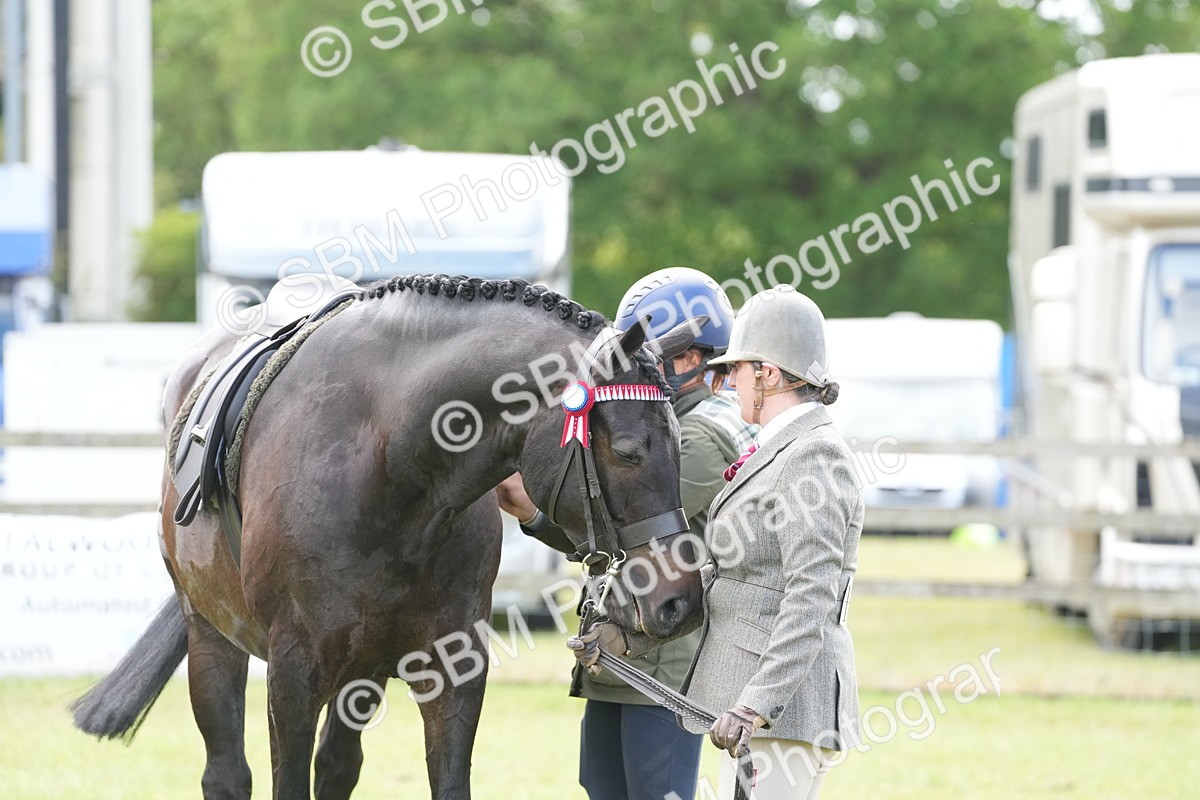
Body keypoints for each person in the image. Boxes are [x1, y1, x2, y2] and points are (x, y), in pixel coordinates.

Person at [497, 267, 757, 800]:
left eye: (647, 355)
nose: (630, 367)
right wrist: (531, 514)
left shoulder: (705, 431)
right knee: (604, 788)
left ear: (690, 359)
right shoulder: (653, 421)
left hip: (664, 657)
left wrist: (539, 520)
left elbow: (626, 530)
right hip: (619, 647)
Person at [682, 283, 864, 799]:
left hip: (780, 714)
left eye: (736, 370)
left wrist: (755, 703)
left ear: (768, 374)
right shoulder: (782, 449)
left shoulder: (811, 456)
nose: (727, 382)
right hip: (757, 712)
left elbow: (811, 594)